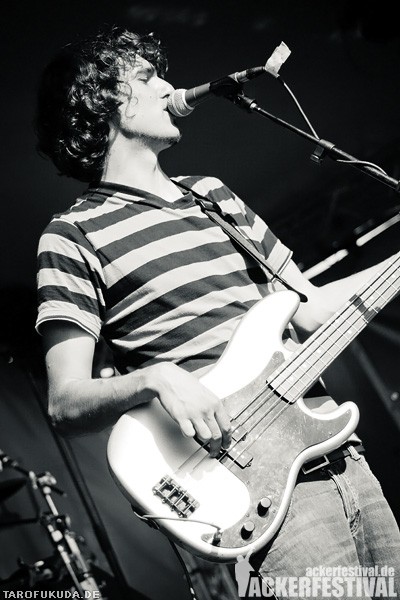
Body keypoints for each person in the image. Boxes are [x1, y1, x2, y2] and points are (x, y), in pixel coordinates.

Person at [35, 25, 400, 598]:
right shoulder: (72, 234)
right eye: (147, 78)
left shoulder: (214, 194)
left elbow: (307, 310)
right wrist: (155, 378)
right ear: (101, 103)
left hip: (337, 452)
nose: (169, 87)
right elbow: (65, 401)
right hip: (253, 486)